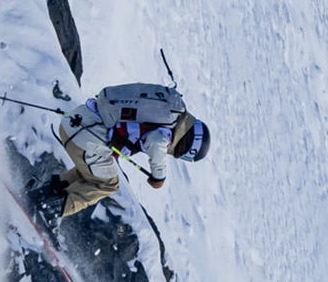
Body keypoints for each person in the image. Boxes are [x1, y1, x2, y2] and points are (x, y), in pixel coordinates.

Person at [37, 81, 211, 218]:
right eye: (182, 151)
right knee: (107, 184)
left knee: (91, 173)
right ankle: (49, 211)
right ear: (187, 142)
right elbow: (156, 142)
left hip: (75, 122)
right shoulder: (166, 131)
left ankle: (45, 194)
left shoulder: (162, 113)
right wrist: (159, 177)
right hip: (87, 138)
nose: (175, 152)